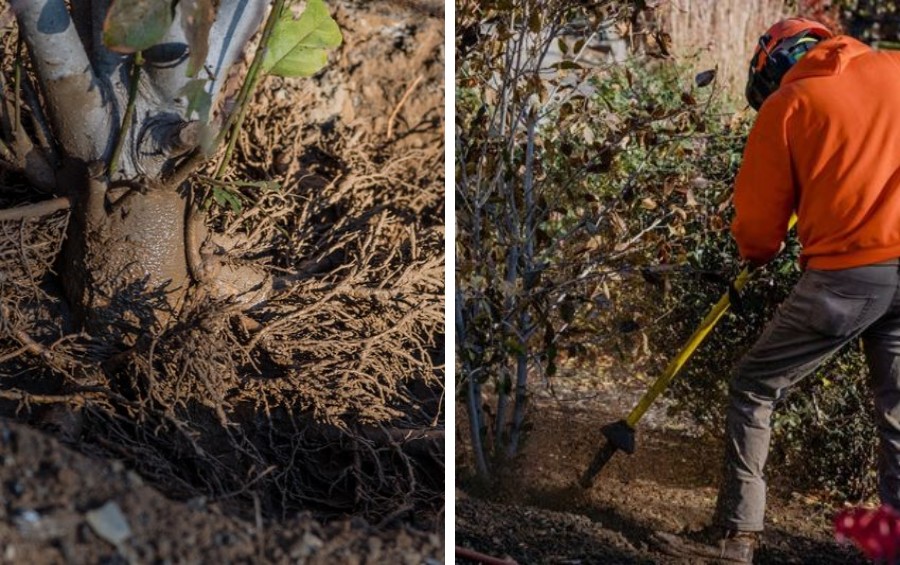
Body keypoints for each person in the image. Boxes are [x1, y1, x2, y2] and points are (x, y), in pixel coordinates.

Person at [653, 17, 900, 563]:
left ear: (777, 62)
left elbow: (760, 232)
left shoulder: (788, 107)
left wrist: (757, 253)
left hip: (849, 277)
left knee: (754, 386)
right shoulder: (896, 68)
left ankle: (735, 537)